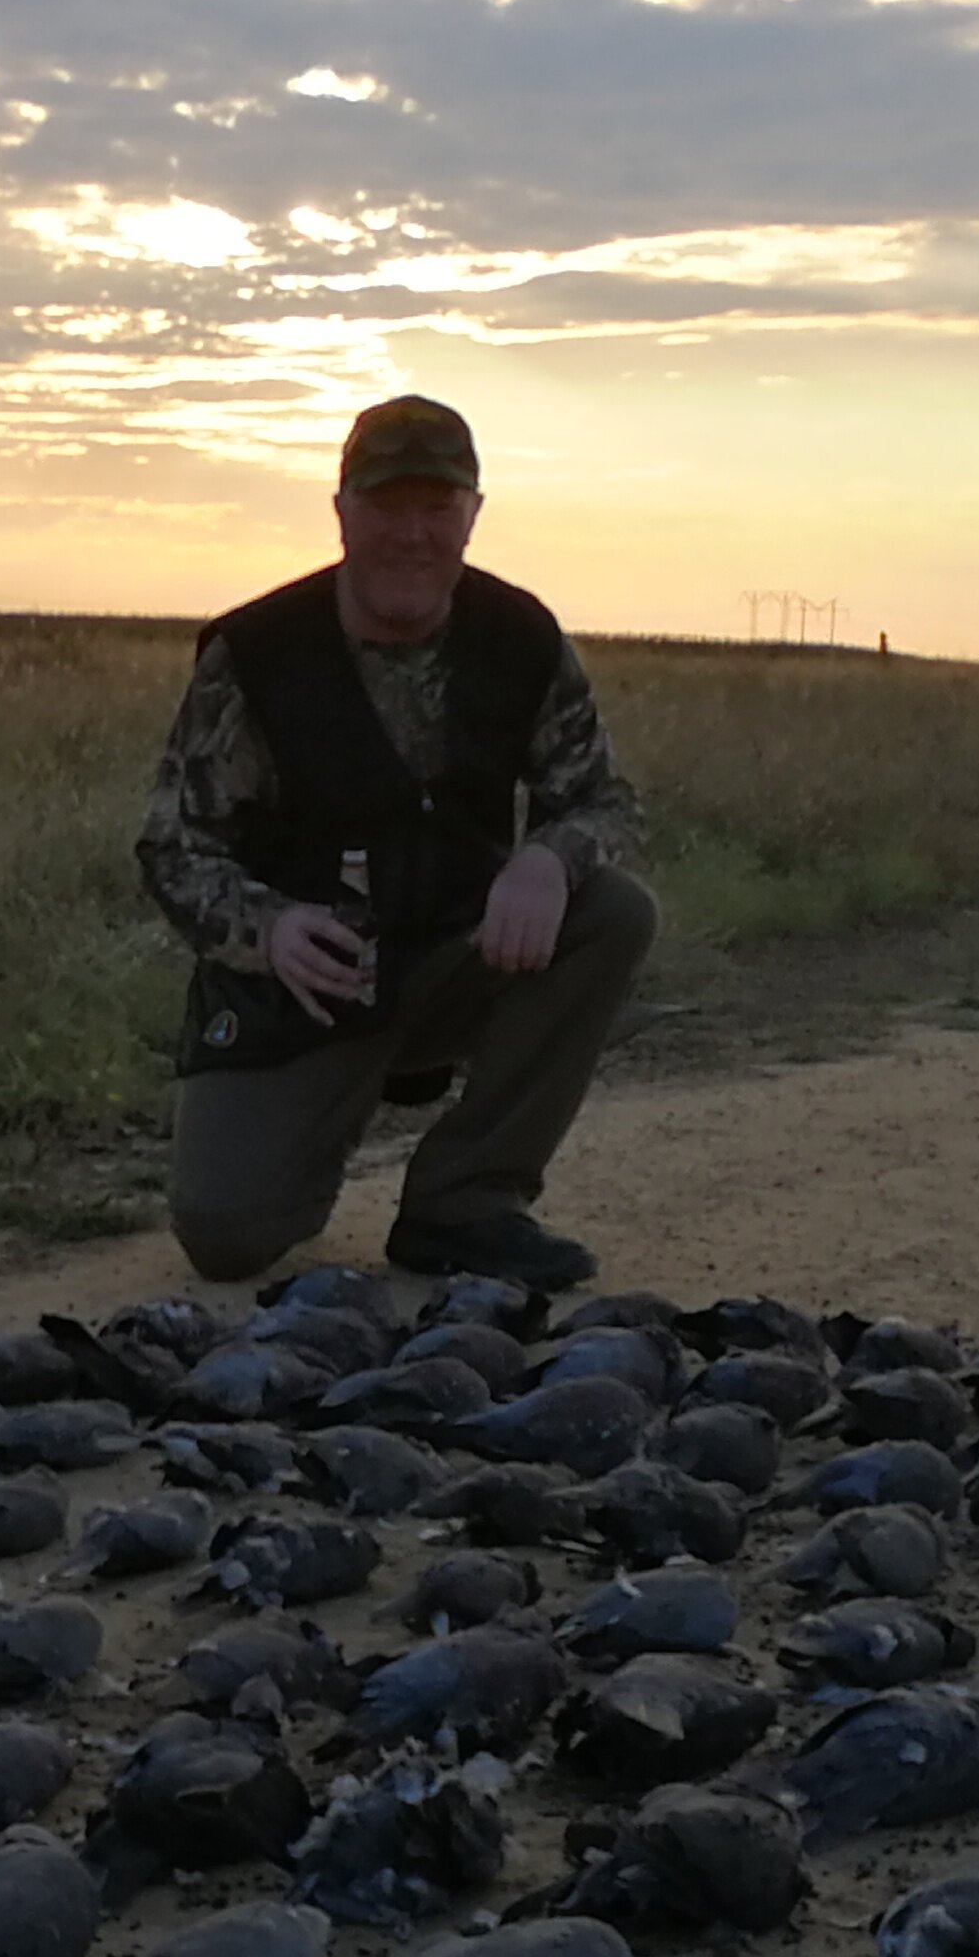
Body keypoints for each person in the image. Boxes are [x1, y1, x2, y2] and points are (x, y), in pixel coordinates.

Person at [132, 393, 657, 1292]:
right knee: (227, 1239)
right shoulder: (258, 655)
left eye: (436, 509)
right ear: (341, 513)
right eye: (386, 506)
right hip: (303, 992)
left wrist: (547, 858)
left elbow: (603, 800)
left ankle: (466, 1202)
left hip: (456, 962)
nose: (412, 535)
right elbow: (173, 846)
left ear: (473, 516)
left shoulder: (520, 637)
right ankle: (317, 1113)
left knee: (612, 912)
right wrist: (268, 930)